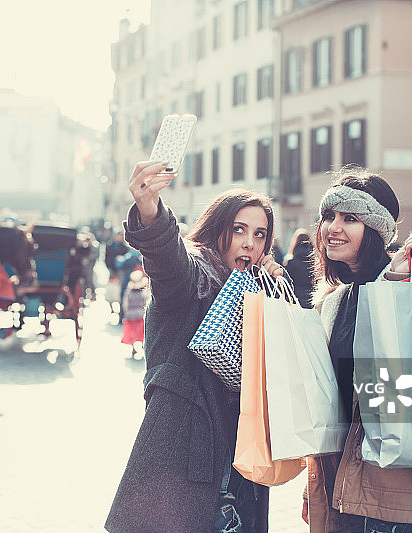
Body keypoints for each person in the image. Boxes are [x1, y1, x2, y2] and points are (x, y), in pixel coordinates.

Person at [106, 160, 284, 533]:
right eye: (239, 230)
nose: (249, 242)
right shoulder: (194, 277)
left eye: (260, 234)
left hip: (241, 460)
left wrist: (268, 296)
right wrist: (150, 210)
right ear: (219, 229)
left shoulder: (255, 286)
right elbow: (167, 260)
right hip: (184, 456)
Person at [302, 167, 412, 533]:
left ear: (377, 230)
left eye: (350, 218)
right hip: (343, 494)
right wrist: (312, 490)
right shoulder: (332, 300)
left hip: (404, 499)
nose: (333, 227)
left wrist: (410, 274)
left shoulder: (411, 284)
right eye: (328, 216)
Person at [283, 227, 316, 308]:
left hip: (295, 299)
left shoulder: (290, 262)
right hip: (312, 298)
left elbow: (286, 284)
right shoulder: (316, 263)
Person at [121, 266, 149, 357]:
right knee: (140, 331)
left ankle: (133, 347)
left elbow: (125, 304)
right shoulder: (143, 293)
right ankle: (141, 344)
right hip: (140, 314)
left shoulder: (128, 293)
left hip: (130, 314)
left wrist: (126, 312)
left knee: (132, 331)